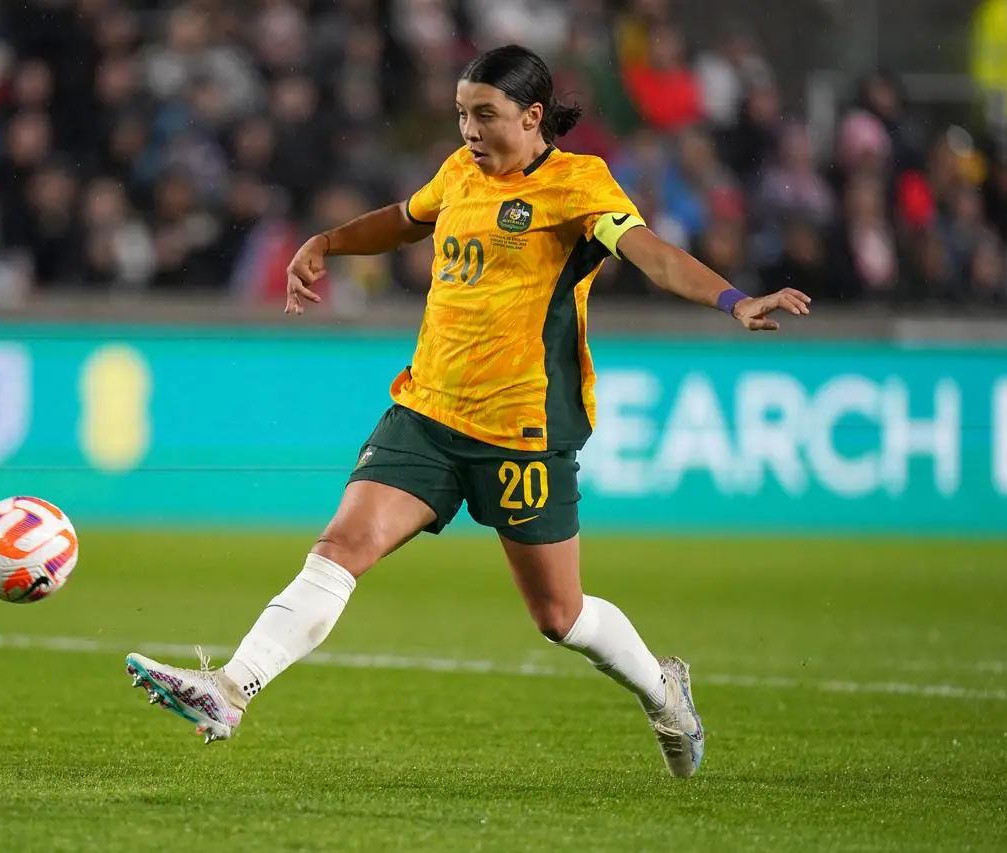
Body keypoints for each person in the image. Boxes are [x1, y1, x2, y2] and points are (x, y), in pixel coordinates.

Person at [125, 45, 811, 778]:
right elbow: (404, 219)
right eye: (461, 114)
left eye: (485, 114)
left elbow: (651, 253)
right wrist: (327, 242)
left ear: (533, 115)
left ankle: (663, 691)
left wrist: (734, 301)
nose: (470, 130)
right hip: (428, 411)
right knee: (341, 545)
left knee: (560, 616)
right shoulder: (460, 171)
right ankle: (231, 688)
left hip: (522, 430)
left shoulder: (578, 185)